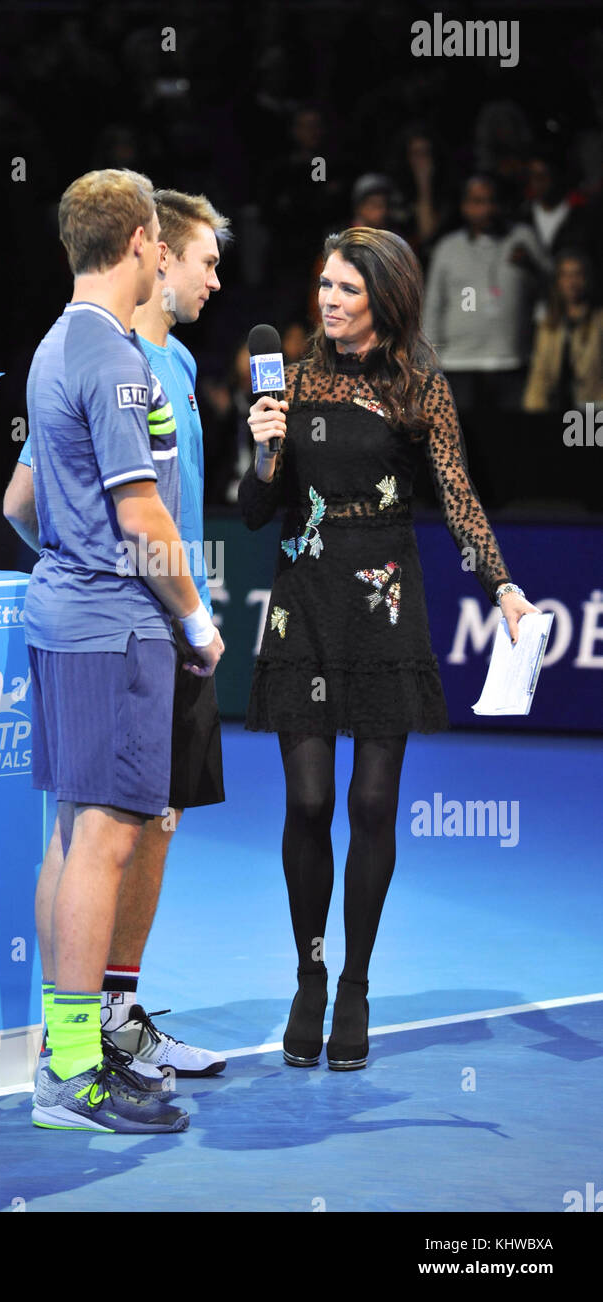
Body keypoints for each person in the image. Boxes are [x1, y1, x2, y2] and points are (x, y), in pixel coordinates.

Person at [239, 226, 540, 1073]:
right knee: (307, 805)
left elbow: (458, 497)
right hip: (303, 601)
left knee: (372, 806)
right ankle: (309, 974)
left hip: (382, 605)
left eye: (347, 290)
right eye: (324, 286)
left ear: (385, 298)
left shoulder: (420, 388)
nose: (328, 302)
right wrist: (266, 453)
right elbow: (256, 510)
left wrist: (505, 589)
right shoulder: (289, 383)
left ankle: (356, 985)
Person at [5, 187, 231, 1083]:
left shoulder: (60, 345)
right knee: (111, 834)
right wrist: (197, 619)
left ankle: (75, 1051)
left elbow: (25, 503)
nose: (215, 279)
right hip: (124, 623)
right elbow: (142, 518)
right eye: (205, 261)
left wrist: (71, 552)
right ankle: (76, 1063)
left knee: (77, 834)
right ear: (147, 245)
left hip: (75, 613)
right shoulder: (116, 358)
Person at [422, 174, 546, 414]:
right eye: (478, 202)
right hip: (459, 364)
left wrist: (531, 266)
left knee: (511, 441)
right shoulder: (447, 247)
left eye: (492, 201)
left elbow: (553, 289)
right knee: (465, 443)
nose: (486, 209)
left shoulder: (522, 238)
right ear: (464, 207)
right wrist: (430, 364)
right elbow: (433, 307)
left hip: (511, 361)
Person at [523, 251, 603, 412]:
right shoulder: (548, 325)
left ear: (587, 279)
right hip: (555, 409)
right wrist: (532, 412)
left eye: (577, 274)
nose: (571, 282)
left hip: (594, 409)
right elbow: (539, 373)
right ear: (558, 281)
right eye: (565, 275)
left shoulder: (599, 321)